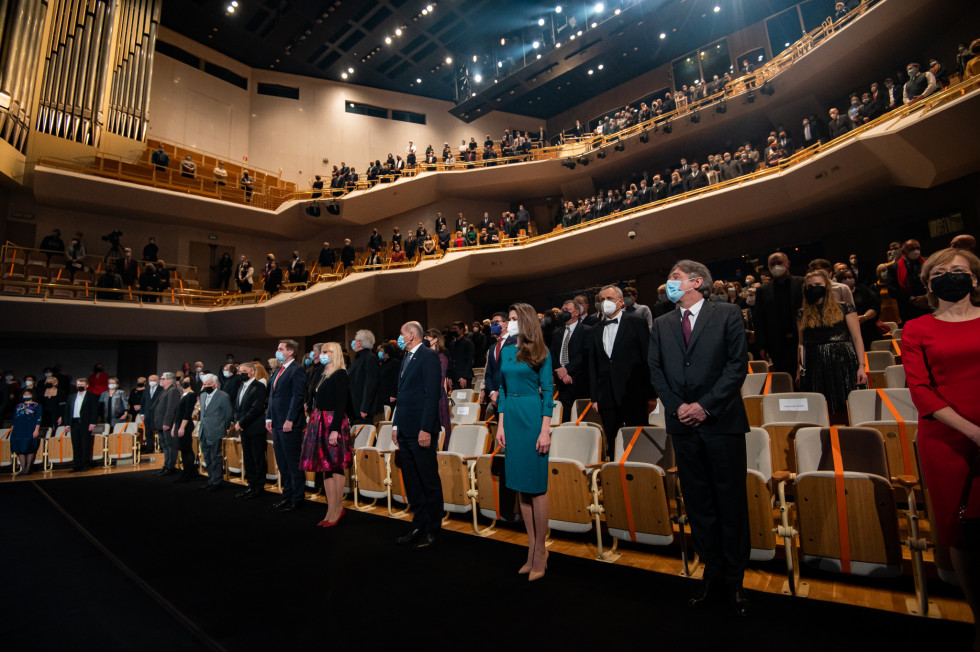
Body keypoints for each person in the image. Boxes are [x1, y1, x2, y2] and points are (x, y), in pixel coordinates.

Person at [647, 259, 751, 617]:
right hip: (683, 425)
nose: (669, 283)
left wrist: (705, 406)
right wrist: (678, 408)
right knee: (698, 503)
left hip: (720, 422)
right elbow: (656, 370)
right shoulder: (661, 324)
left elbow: (737, 365)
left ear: (697, 281)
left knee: (730, 501)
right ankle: (712, 571)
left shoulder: (727, 314)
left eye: (674, 277)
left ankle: (735, 576)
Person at [902, 248, 980, 650]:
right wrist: (972, 432)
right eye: (941, 272)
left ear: (975, 279)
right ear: (929, 283)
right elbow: (921, 391)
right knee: (962, 534)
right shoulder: (916, 328)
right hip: (947, 441)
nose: (951, 276)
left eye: (959, 270)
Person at [495, 303, 555, 581]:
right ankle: (531, 548)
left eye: (515, 319)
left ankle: (541, 551)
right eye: (509, 319)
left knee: (536, 487)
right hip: (512, 420)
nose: (510, 323)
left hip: (533, 418)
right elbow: (504, 392)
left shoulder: (542, 352)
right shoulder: (506, 351)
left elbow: (547, 392)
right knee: (521, 486)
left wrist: (545, 430)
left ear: (527, 321)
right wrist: (501, 425)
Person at [391, 321, 444, 549]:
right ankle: (418, 525)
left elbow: (432, 396)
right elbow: (401, 395)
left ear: (411, 335)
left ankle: (433, 529)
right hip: (405, 428)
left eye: (402, 334)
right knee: (412, 481)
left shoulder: (428, 356)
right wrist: (395, 426)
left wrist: (425, 428)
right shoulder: (406, 358)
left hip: (421, 429)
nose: (400, 338)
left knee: (428, 481)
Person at [588, 284, 654, 459]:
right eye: (602, 300)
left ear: (621, 302)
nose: (605, 302)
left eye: (609, 299)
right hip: (606, 397)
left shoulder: (637, 323)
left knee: (638, 442)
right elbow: (593, 366)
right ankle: (618, 480)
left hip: (634, 394)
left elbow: (648, 359)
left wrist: (651, 395)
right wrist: (595, 397)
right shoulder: (595, 330)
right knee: (613, 440)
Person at [796, 270, 867, 422]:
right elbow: (802, 344)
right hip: (816, 362)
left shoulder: (845, 307)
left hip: (843, 358)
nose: (813, 288)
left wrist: (862, 366)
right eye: (809, 286)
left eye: (817, 285)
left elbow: (856, 338)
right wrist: (800, 368)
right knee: (823, 408)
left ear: (827, 286)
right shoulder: (802, 313)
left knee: (848, 404)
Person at [300, 342, 353, 527]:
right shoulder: (322, 373)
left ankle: (338, 509)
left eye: (327, 351)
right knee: (325, 466)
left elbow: (341, 403)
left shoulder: (340, 374)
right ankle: (330, 509)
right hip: (319, 420)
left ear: (335, 353)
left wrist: (335, 429)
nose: (322, 354)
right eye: (322, 351)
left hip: (332, 421)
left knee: (335, 466)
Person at [267, 339, 308, 511]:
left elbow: (298, 397)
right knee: (282, 462)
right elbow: (272, 397)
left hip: (289, 423)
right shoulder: (279, 371)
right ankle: (287, 495)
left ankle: (298, 497)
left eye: (280, 349)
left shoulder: (296, 370)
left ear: (290, 352)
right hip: (276, 422)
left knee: (293, 462)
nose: (277, 351)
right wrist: (269, 418)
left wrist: (290, 419)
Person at [551, 299, 590, 420]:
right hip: (562, 380)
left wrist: (566, 369)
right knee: (566, 416)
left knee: (581, 416)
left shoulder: (587, 330)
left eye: (567, 310)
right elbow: (552, 354)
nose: (563, 312)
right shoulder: (557, 332)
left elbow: (584, 355)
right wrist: (561, 372)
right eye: (562, 310)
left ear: (576, 313)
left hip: (579, 379)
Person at [231, 362, 267, 496]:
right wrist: (236, 421)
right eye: (239, 371)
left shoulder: (259, 386)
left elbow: (256, 408)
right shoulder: (241, 386)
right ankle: (251, 484)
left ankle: (259, 486)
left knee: (257, 458)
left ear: (252, 372)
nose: (241, 373)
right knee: (248, 458)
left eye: (243, 371)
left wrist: (241, 422)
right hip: (243, 428)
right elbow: (237, 407)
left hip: (255, 427)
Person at [197, 374, 233, 491]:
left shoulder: (223, 396)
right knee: (206, 456)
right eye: (204, 384)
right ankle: (211, 479)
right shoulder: (202, 396)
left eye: (208, 384)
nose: (206, 386)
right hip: (204, 430)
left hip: (216, 430)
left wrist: (224, 428)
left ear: (215, 384)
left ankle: (217, 481)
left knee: (215, 456)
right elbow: (203, 414)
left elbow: (228, 415)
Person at [59, 378, 99, 472]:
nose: (79, 386)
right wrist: (67, 424)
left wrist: (93, 423)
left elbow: (94, 410)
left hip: (85, 423)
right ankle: (77, 465)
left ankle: (85, 464)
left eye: (82, 384)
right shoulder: (71, 396)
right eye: (78, 384)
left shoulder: (91, 396)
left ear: (86, 385)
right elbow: (67, 411)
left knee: (85, 444)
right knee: (75, 444)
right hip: (74, 422)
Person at [423, 329, 452, 442]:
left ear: (435, 340)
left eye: (427, 338)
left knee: (441, 429)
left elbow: (439, 380)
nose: (424, 340)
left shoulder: (441, 357)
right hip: (429, 396)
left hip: (438, 397)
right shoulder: (425, 356)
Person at [348, 329, 380, 425]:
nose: (353, 342)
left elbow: (370, 384)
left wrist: (365, 407)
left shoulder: (370, 358)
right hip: (354, 406)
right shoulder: (359, 357)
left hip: (361, 409)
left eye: (355, 340)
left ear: (360, 343)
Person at [153, 372, 182, 476]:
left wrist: (167, 422)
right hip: (161, 424)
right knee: (164, 445)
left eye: (163, 378)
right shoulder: (165, 390)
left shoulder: (173, 390)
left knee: (170, 445)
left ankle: (171, 466)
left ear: (170, 380)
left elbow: (171, 408)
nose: (161, 380)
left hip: (167, 424)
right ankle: (166, 465)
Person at [11, 388, 43, 476]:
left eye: (28, 394)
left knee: (29, 448)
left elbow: (39, 419)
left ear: (32, 395)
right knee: (20, 449)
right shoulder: (18, 406)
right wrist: (12, 429)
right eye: (25, 394)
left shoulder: (37, 405)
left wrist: (36, 430)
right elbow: (14, 418)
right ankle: (23, 468)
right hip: (18, 429)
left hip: (30, 429)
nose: (26, 396)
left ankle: (28, 468)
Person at [173, 377, 198, 482]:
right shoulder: (182, 395)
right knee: (183, 449)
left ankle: (189, 472)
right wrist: (175, 426)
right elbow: (178, 413)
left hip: (186, 424)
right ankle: (186, 471)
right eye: (184, 381)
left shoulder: (191, 395)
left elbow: (187, 413)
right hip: (179, 423)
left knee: (186, 448)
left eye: (187, 381)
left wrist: (182, 427)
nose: (185, 382)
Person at [376, 341, 402, 418]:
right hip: (382, 394)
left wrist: (393, 394)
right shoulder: (380, 362)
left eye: (381, 351)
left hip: (390, 395)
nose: (379, 353)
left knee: (389, 415)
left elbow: (396, 379)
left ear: (387, 353)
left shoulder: (395, 363)